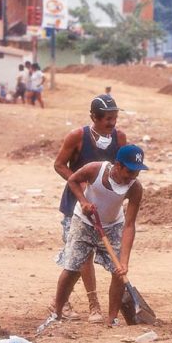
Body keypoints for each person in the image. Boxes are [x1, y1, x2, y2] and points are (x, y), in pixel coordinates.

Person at [51, 145, 148, 327]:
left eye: (136, 173)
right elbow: (72, 180)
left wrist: (124, 261)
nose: (132, 177)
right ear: (118, 165)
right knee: (72, 268)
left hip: (113, 226)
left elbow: (129, 225)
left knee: (118, 272)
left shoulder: (135, 187)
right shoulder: (95, 169)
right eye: (129, 172)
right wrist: (84, 201)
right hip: (84, 222)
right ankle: (56, 312)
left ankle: (112, 318)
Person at [51, 94, 128, 323]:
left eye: (114, 118)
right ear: (93, 117)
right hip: (78, 201)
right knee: (80, 256)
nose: (112, 124)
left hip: (103, 206)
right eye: (106, 119)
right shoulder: (78, 137)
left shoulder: (120, 138)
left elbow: (123, 169)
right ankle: (92, 304)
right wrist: (79, 180)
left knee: (95, 255)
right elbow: (58, 164)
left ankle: (61, 303)